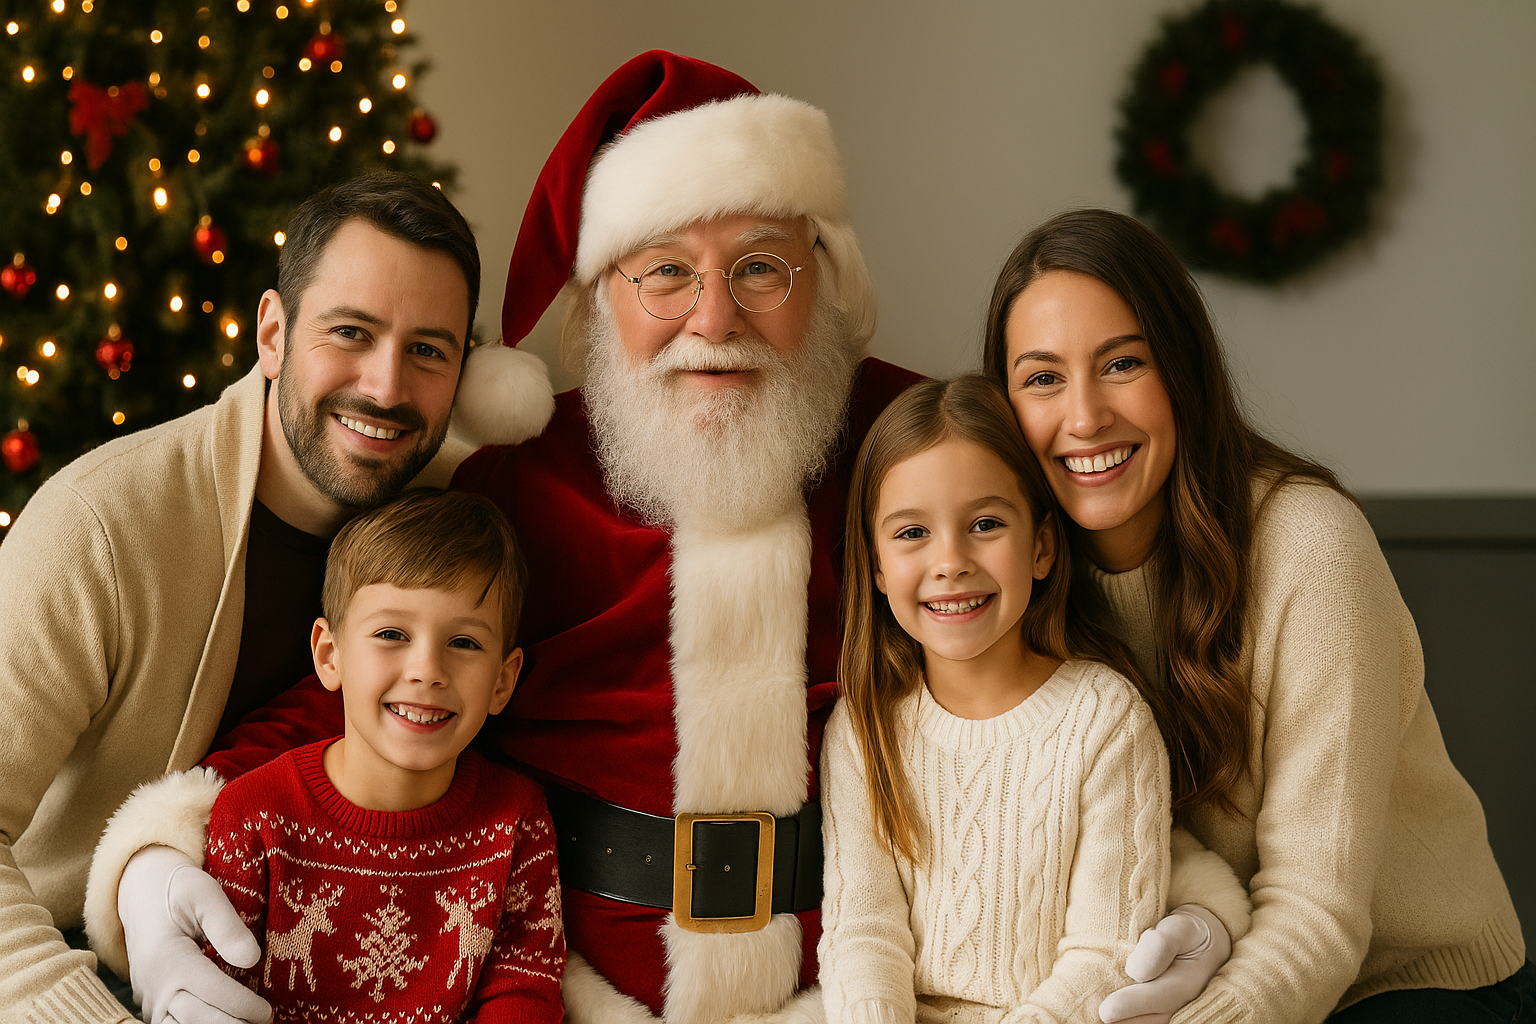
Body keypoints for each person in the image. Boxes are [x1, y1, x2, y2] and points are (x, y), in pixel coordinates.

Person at [95, 55, 1242, 1024]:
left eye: (759, 269)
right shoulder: (523, 481)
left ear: (823, 283)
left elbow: (1050, 698)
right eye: (665, 275)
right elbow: (361, 682)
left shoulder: (910, 452)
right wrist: (153, 857)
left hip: (857, 991)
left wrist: (1190, 891)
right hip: (584, 995)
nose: (714, 319)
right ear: (603, 300)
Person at [0, 172, 552, 1024]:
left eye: (429, 351)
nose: (384, 387)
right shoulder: (99, 525)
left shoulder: (460, 541)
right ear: (272, 332)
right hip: (68, 962)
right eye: (351, 332)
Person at [983, 208, 1531, 1024]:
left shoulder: (1310, 546)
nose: (1086, 416)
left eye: (1123, 363)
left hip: (1411, 982)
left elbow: (1319, 912)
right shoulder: (1017, 571)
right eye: (1042, 378)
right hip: (1208, 968)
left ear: (1184, 372)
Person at [820, 376, 1177, 1023]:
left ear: (1040, 547)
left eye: (985, 524)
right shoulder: (865, 724)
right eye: (911, 534)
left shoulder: (1105, 721)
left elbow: (1107, 955)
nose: (950, 561)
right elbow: (863, 932)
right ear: (874, 565)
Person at [201, 488, 563, 1021]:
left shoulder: (516, 820)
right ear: (330, 656)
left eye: (464, 643)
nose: (427, 670)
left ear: (503, 682)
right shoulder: (253, 816)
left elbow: (525, 983)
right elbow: (214, 994)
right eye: (392, 634)